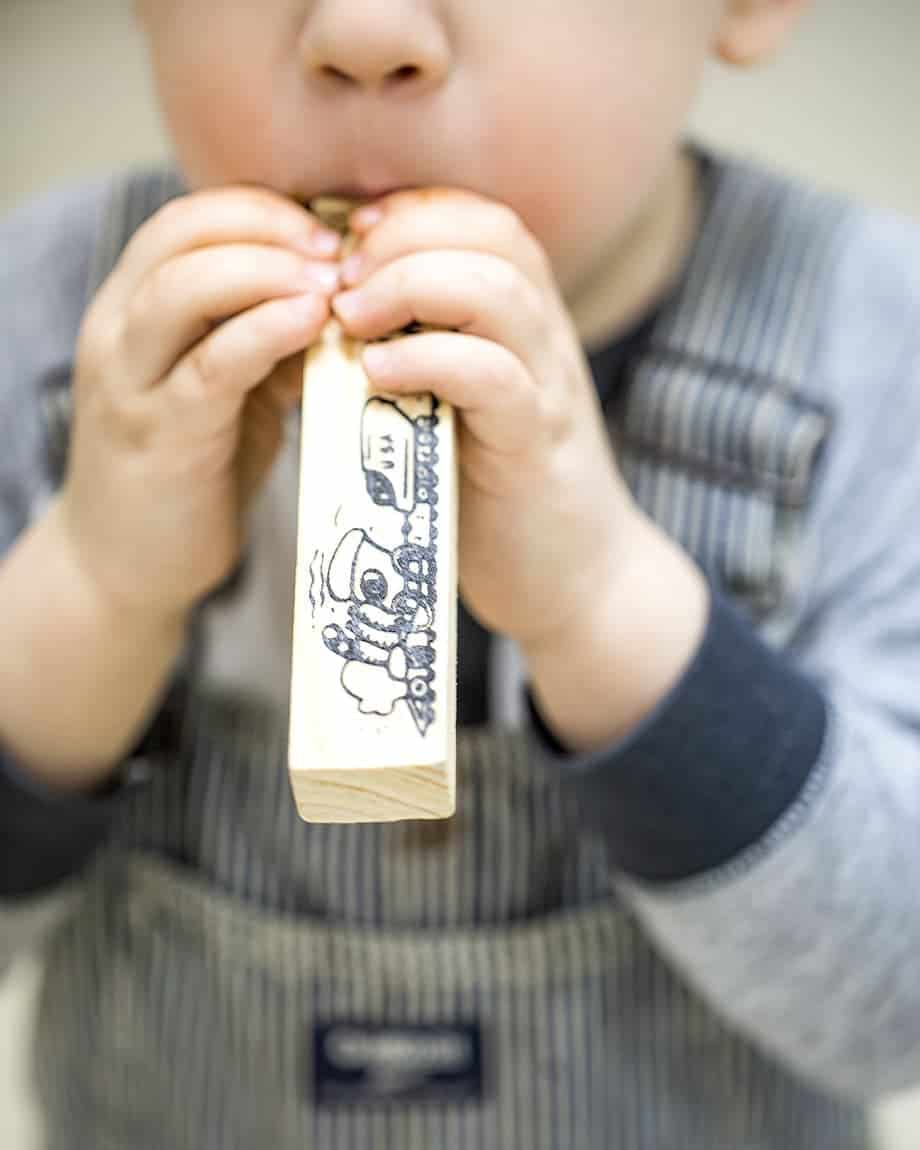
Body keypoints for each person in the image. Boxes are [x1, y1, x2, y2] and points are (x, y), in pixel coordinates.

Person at [1, 1, 919, 1146]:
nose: (364, 29)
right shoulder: (35, 314)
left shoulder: (876, 342)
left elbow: (897, 1006)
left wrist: (598, 601)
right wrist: (91, 585)